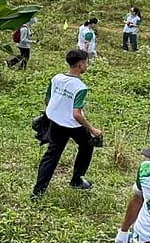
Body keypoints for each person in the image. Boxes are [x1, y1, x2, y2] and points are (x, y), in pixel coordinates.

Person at [32, 49, 101, 199]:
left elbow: (47, 100)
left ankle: (38, 192)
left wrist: (55, 114)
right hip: (73, 125)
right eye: (86, 63)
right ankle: (77, 180)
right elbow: (76, 114)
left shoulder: (56, 78)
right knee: (87, 145)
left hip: (56, 123)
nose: (87, 66)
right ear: (80, 65)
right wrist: (92, 129)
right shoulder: (80, 87)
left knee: (51, 155)